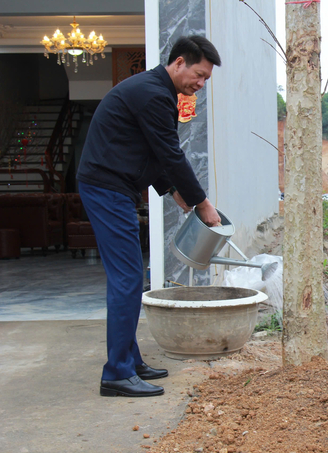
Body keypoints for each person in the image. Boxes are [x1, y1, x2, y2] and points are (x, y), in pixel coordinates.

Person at [77, 36, 223, 398]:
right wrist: (203, 204)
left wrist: (176, 196)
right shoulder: (153, 94)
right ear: (178, 63)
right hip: (107, 189)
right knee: (127, 278)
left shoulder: (155, 92)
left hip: (115, 188)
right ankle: (117, 373)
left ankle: (129, 360)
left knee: (127, 277)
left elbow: (153, 155)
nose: (200, 85)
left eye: (206, 80)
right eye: (199, 75)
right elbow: (172, 156)